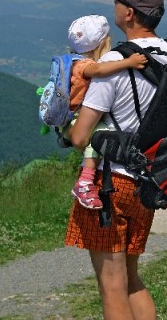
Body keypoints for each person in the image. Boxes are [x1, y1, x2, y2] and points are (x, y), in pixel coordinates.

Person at [65, 0, 167, 319]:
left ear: (129, 13)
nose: (114, 7)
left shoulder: (113, 63)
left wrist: (64, 125)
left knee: (111, 283)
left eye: (117, 2)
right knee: (131, 279)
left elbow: (80, 137)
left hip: (110, 183)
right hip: (148, 180)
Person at [65, 14, 147, 211]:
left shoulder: (73, 60)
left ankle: (85, 179)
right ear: (101, 44)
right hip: (76, 119)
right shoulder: (84, 65)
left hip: (72, 117)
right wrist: (128, 62)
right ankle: (84, 183)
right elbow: (100, 71)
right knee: (99, 136)